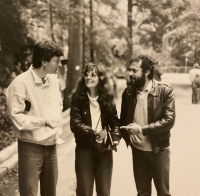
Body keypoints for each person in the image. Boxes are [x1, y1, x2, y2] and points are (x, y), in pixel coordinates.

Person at [6, 40, 64, 196]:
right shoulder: (20, 83)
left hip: (51, 147)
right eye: (56, 60)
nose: (59, 63)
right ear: (44, 61)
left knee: (50, 192)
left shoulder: (53, 80)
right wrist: (43, 121)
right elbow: (16, 117)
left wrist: (56, 124)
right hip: (30, 147)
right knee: (29, 193)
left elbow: (58, 106)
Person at [120, 55, 175, 196]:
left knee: (163, 193)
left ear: (146, 72)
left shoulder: (165, 91)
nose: (130, 74)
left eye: (134, 70)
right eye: (129, 70)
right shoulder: (128, 93)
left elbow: (169, 121)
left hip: (159, 151)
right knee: (142, 193)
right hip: (138, 152)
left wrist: (140, 129)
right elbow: (123, 120)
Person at [70, 62, 121, 196]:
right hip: (84, 149)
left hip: (104, 150)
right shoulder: (77, 97)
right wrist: (94, 133)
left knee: (104, 191)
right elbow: (75, 124)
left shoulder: (107, 97)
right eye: (86, 74)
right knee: (84, 191)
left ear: (101, 78)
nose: (89, 77)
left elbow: (115, 122)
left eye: (93, 75)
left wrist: (115, 139)